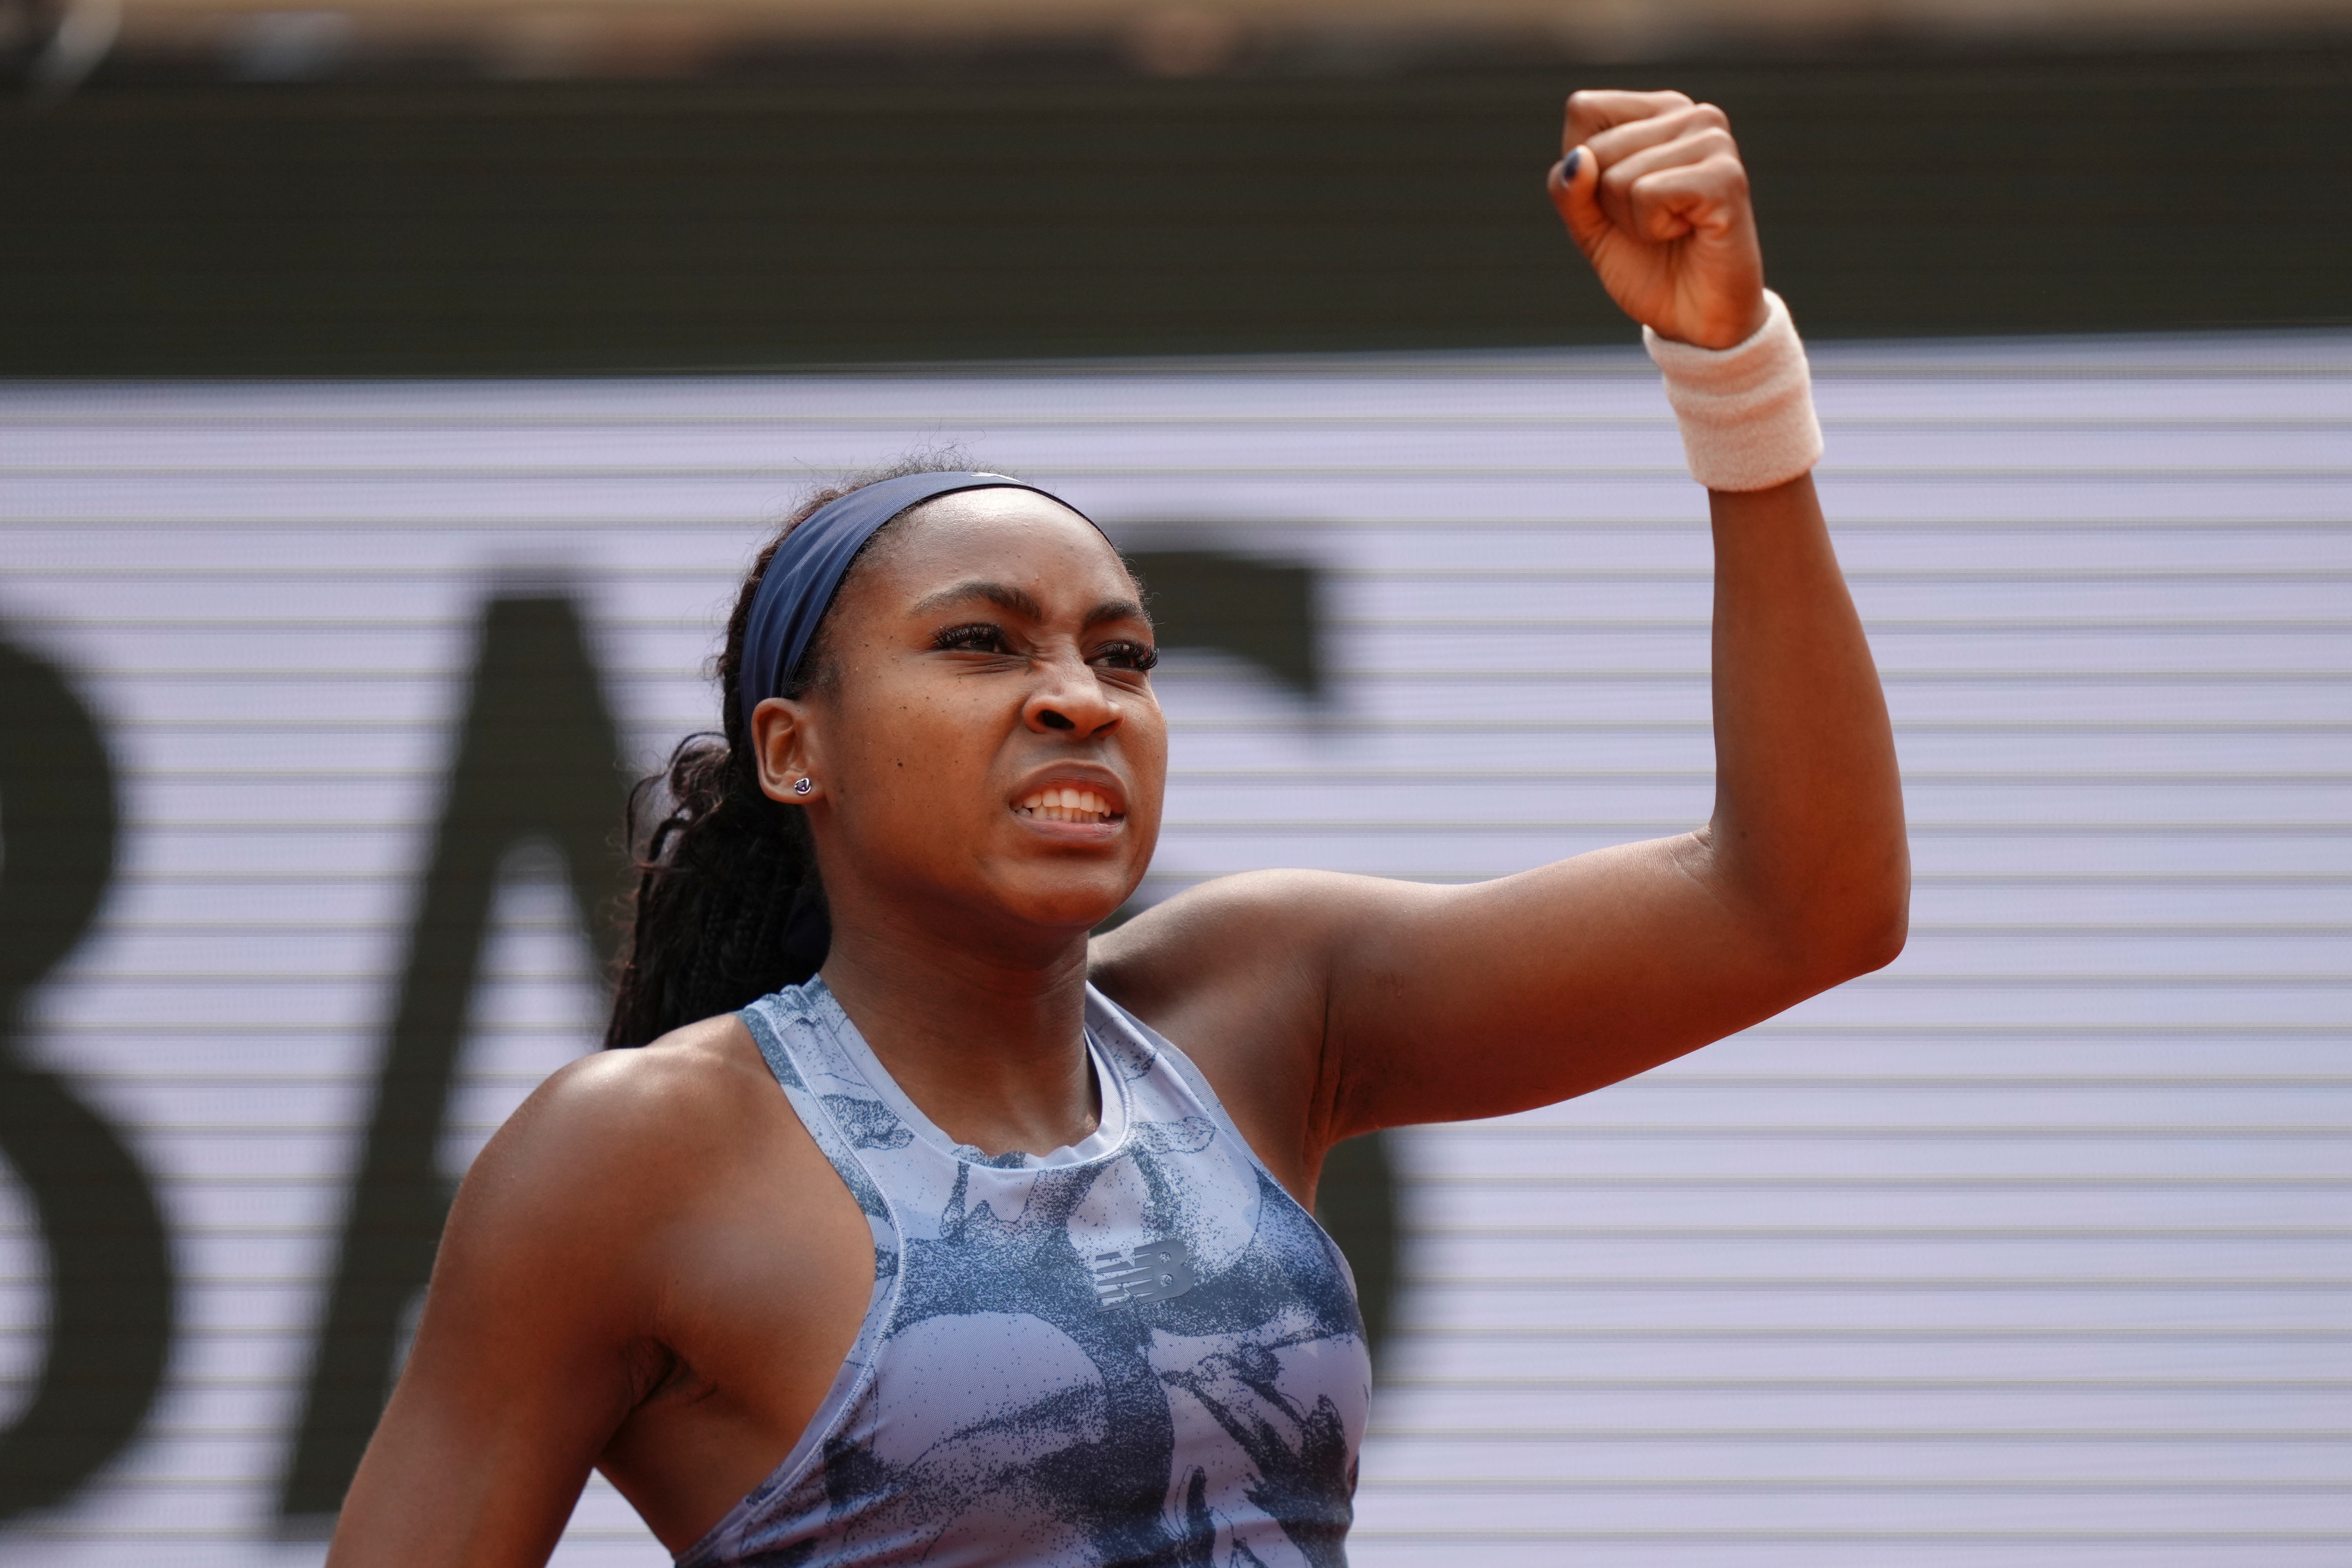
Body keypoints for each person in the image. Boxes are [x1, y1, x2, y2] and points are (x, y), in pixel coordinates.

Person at [326, 88, 1907, 1568]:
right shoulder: (629, 1158)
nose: (1080, 695)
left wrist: (1732, 376)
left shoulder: (1265, 999)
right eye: (981, 644)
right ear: (794, 752)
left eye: (1124, 654)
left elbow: (1802, 907)